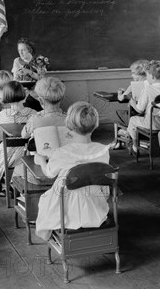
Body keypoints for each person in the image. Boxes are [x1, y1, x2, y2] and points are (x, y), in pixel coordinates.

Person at [34, 102, 110, 241]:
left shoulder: (62, 152)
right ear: (95, 125)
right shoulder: (103, 150)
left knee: (44, 199)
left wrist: (41, 161)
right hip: (95, 202)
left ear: (69, 125)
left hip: (66, 204)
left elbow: (49, 173)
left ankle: (58, 230)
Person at [0, 81, 36, 188]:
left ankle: (2, 181)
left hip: (7, 155)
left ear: (5, 97)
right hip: (28, 154)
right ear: (24, 95)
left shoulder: (1, 115)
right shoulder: (33, 114)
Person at [126, 60, 160, 155]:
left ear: (152, 76)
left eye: (147, 75)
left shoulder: (148, 89)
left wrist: (132, 103)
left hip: (151, 124)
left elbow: (139, 109)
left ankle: (135, 146)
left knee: (133, 119)